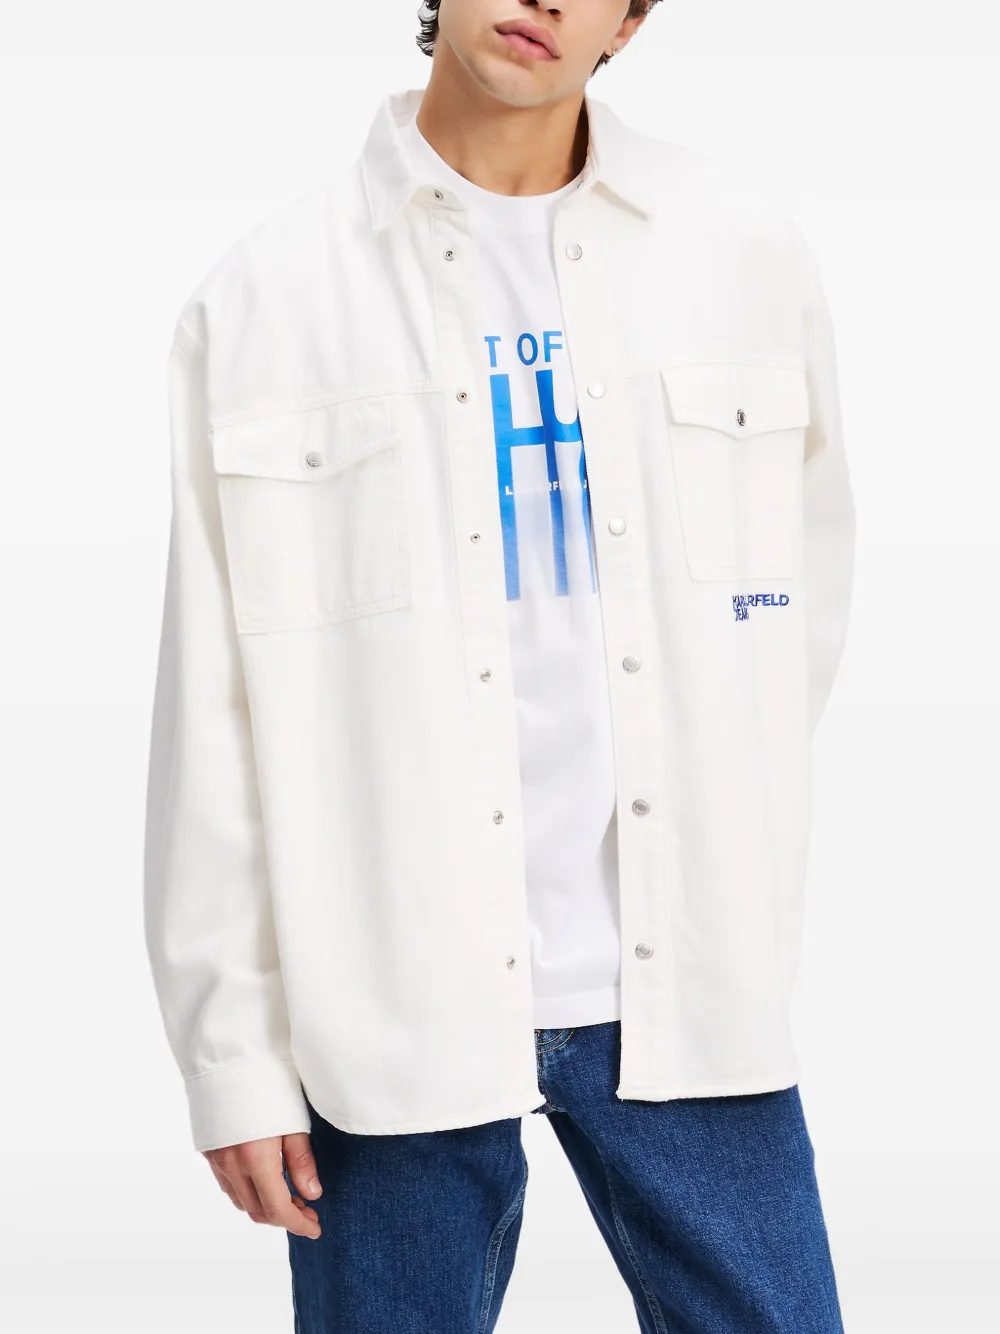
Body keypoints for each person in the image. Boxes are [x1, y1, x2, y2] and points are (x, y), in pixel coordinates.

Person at [142, 2, 855, 1329]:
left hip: (687, 982)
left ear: (630, 22)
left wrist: (728, 825)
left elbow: (798, 601)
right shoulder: (266, 302)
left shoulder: (741, 253)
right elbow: (214, 710)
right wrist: (231, 1054)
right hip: (387, 997)